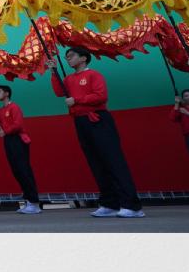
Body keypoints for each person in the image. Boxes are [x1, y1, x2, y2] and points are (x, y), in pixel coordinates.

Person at [50, 47, 145, 218]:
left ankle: (132, 205)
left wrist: (77, 100)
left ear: (83, 58)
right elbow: (59, 92)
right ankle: (109, 203)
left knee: (113, 161)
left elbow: (101, 96)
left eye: (71, 56)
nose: (68, 59)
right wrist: (53, 71)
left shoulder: (94, 75)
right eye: (67, 57)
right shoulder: (69, 79)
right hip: (80, 122)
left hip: (98, 120)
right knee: (96, 163)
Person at [0, 85, 41, 214]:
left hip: (18, 140)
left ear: (7, 94)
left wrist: (5, 131)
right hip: (8, 141)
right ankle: (28, 201)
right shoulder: (0, 111)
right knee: (17, 171)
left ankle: (34, 203)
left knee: (24, 170)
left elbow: (18, 125)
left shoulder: (14, 107)